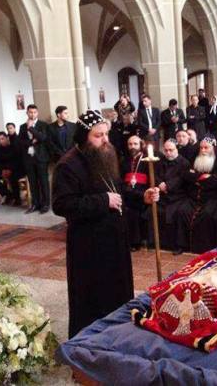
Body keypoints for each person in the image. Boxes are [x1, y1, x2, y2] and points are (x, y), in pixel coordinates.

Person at [52, 109, 158, 338]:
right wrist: (102, 201)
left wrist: (142, 197)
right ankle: (89, 345)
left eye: (106, 134)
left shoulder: (106, 156)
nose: (105, 140)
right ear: (83, 137)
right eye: (98, 136)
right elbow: (62, 205)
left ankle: (118, 336)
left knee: (118, 293)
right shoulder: (68, 165)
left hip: (115, 241)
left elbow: (117, 191)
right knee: (94, 299)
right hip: (89, 246)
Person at [176, 136, 217, 253]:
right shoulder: (193, 160)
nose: (203, 150)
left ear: (212, 149)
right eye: (201, 148)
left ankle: (203, 248)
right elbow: (186, 175)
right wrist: (202, 178)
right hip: (193, 197)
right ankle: (182, 246)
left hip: (211, 198)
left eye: (206, 148)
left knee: (206, 215)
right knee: (182, 211)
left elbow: (215, 182)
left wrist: (196, 178)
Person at [154, 139, 189, 255]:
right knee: (152, 211)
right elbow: (155, 174)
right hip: (163, 195)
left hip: (178, 196)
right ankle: (159, 243)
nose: (168, 153)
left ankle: (179, 245)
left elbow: (181, 179)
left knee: (178, 214)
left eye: (171, 150)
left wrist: (167, 185)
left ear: (177, 149)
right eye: (166, 150)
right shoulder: (160, 161)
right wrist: (159, 184)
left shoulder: (184, 163)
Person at [18, 104, 51, 214]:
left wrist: (31, 128)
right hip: (28, 158)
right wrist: (31, 142)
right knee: (32, 183)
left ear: (37, 113)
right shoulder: (22, 126)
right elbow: (20, 142)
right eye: (30, 112)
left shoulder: (43, 125)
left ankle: (45, 204)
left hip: (41, 157)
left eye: (34, 112)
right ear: (27, 113)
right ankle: (35, 204)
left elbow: (43, 138)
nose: (32, 114)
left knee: (43, 182)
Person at [121, 135, 149, 251]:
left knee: (134, 210)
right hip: (127, 193)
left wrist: (142, 193)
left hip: (142, 193)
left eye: (135, 144)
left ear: (141, 145)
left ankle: (135, 242)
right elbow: (120, 178)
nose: (132, 146)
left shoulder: (146, 159)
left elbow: (151, 179)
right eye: (130, 144)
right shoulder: (124, 160)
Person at [0, 132, 22, 206]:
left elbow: (18, 160)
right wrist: (3, 170)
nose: (1, 141)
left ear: (7, 138)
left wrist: (9, 169)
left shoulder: (14, 146)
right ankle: (7, 194)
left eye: (2, 139)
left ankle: (17, 199)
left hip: (16, 169)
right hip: (4, 170)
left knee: (13, 177)